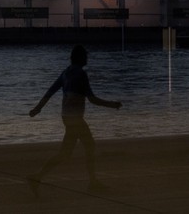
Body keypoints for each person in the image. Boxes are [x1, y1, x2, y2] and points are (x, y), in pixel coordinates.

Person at [28, 45, 122, 195]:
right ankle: (92, 182)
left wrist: (37, 108)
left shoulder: (66, 72)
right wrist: (112, 104)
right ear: (80, 58)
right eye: (85, 56)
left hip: (66, 117)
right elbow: (92, 100)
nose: (87, 59)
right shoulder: (81, 74)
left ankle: (37, 177)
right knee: (89, 146)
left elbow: (50, 92)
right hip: (75, 118)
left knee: (65, 153)